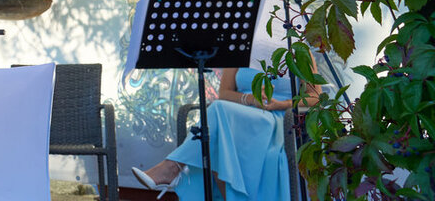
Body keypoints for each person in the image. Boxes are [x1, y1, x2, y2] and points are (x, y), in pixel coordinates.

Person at [132, 61, 323, 200]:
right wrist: (251, 99)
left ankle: (173, 167)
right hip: (239, 115)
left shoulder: (296, 42)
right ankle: (173, 167)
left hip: (279, 118)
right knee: (219, 120)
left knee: (218, 117)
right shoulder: (243, 43)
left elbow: (315, 98)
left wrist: (281, 104)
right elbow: (224, 93)